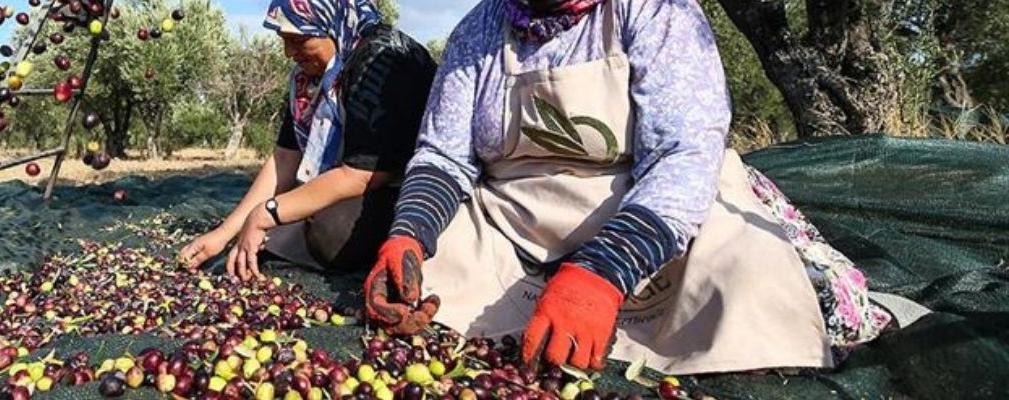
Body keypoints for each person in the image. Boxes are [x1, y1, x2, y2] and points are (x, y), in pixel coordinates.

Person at [363, 0, 894, 375]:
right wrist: (409, 234)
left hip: (643, 211)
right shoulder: (477, 32)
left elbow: (684, 155)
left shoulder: (658, 12)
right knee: (427, 276)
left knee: (753, 285)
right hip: (515, 218)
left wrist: (601, 271)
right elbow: (443, 156)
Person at [177, 0, 437, 280]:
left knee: (332, 234)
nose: (289, 53)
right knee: (300, 215)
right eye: (283, 40)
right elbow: (285, 158)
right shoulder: (309, 80)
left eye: (298, 40)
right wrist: (225, 233)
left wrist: (268, 213)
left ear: (331, 25)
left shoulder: (382, 62)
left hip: (411, 186)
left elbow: (363, 174)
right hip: (358, 178)